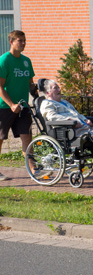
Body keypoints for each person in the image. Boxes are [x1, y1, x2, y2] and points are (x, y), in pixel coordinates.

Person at [0, 30, 38, 181]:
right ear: (11, 42)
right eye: (20, 40)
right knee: (0, 138)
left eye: (24, 40)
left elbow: (30, 83)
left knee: (27, 137)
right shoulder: (4, 60)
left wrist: (37, 92)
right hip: (4, 106)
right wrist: (10, 104)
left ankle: (33, 169)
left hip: (22, 107)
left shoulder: (26, 61)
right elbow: (0, 87)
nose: (23, 43)